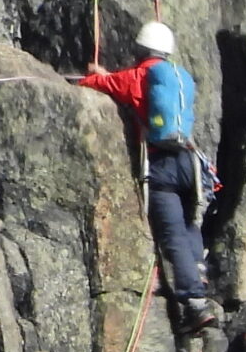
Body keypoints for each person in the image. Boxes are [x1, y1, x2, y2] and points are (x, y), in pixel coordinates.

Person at [77, 20, 220, 335]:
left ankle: (195, 305)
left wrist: (95, 75)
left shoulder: (140, 75)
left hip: (162, 167)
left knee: (171, 235)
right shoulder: (179, 78)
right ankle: (198, 272)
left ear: (140, 50)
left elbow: (100, 85)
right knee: (189, 223)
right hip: (190, 162)